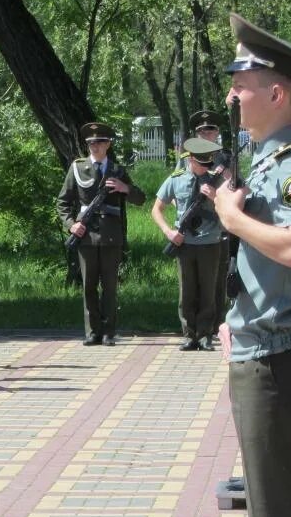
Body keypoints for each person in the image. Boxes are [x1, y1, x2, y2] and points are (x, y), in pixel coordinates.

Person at [213, 12, 291, 517]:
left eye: (242, 86)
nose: (233, 96)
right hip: (266, 350)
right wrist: (237, 318)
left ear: (278, 94)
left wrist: (233, 218)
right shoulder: (268, 160)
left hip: (278, 361)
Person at [57, 122, 145, 346]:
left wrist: (125, 189)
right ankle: (92, 331)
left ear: (108, 144)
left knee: (109, 286)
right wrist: (70, 225)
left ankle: (108, 331)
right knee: (88, 286)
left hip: (110, 236)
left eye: (100, 142)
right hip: (86, 235)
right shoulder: (77, 168)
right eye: (91, 143)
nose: (95, 146)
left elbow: (140, 199)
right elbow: (63, 202)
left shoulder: (117, 170)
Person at [151, 137, 225, 351]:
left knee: (208, 290)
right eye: (201, 163)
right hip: (184, 243)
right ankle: (189, 334)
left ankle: (205, 334)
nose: (205, 167)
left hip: (210, 243)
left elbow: (233, 210)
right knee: (187, 290)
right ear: (191, 160)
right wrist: (168, 231)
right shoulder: (176, 179)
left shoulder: (218, 181)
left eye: (208, 163)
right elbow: (156, 209)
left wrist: (216, 197)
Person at [190, 109, 233, 328]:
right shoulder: (187, 157)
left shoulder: (226, 158)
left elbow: (239, 189)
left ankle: (215, 324)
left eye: (211, 130)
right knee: (191, 279)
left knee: (217, 277)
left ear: (217, 132)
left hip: (218, 224)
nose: (206, 134)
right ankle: (192, 324)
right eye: (202, 130)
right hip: (193, 224)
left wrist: (228, 178)